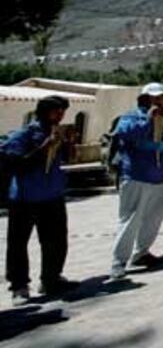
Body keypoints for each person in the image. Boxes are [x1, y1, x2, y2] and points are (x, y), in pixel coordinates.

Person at [109, 83, 163, 280]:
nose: (160, 101)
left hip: (158, 175)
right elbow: (127, 134)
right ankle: (119, 261)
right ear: (145, 99)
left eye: (162, 97)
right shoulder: (130, 117)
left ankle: (142, 252)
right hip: (136, 174)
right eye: (156, 98)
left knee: (154, 216)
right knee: (131, 219)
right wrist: (148, 119)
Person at [1, 95, 76, 305]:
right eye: (56, 111)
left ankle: (51, 278)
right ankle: (19, 286)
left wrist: (68, 143)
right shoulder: (24, 134)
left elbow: (67, 159)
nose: (60, 115)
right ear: (44, 112)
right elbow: (16, 163)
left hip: (52, 195)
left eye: (62, 111)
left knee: (56, 241)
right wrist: (44, 147)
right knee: (18, 244)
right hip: (25, 197)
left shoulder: (56, 133)